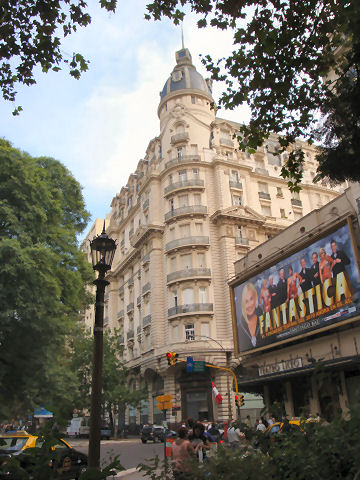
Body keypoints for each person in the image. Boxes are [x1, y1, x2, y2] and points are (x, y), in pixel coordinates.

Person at [238, 282, 263, 350]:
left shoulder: (266, 320)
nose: (249, 305)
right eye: (246, 301)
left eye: (251, 299)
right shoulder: (239, 328)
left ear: (256, 298)